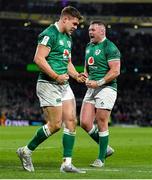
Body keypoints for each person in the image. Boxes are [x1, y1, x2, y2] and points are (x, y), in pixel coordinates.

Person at [17, 6, 87, 173]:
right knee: (55, 125)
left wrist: (76, 75)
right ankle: (26, 151)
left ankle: (66, 164)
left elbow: (67, 62)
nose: (76, 27)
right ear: (65, 19)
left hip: (63, 85)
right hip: (48, 84)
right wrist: (56, 76)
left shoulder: (67, 37)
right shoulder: (50, 34)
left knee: (71, 121)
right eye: (75, 23)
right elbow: (38, 59)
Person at [80, 20, 121, 167]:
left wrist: (99, 82)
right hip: (92, 87)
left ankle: (101, 159)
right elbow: (87, 66)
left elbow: (115, 71)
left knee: (101, 121)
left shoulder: (110, 47)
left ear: (102, 32)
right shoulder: (89, 46)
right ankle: (106, 148)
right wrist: (84, 75)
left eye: (93, 30)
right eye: (89, 30)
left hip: (107, 87)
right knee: (84, 123)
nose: (90, 32)